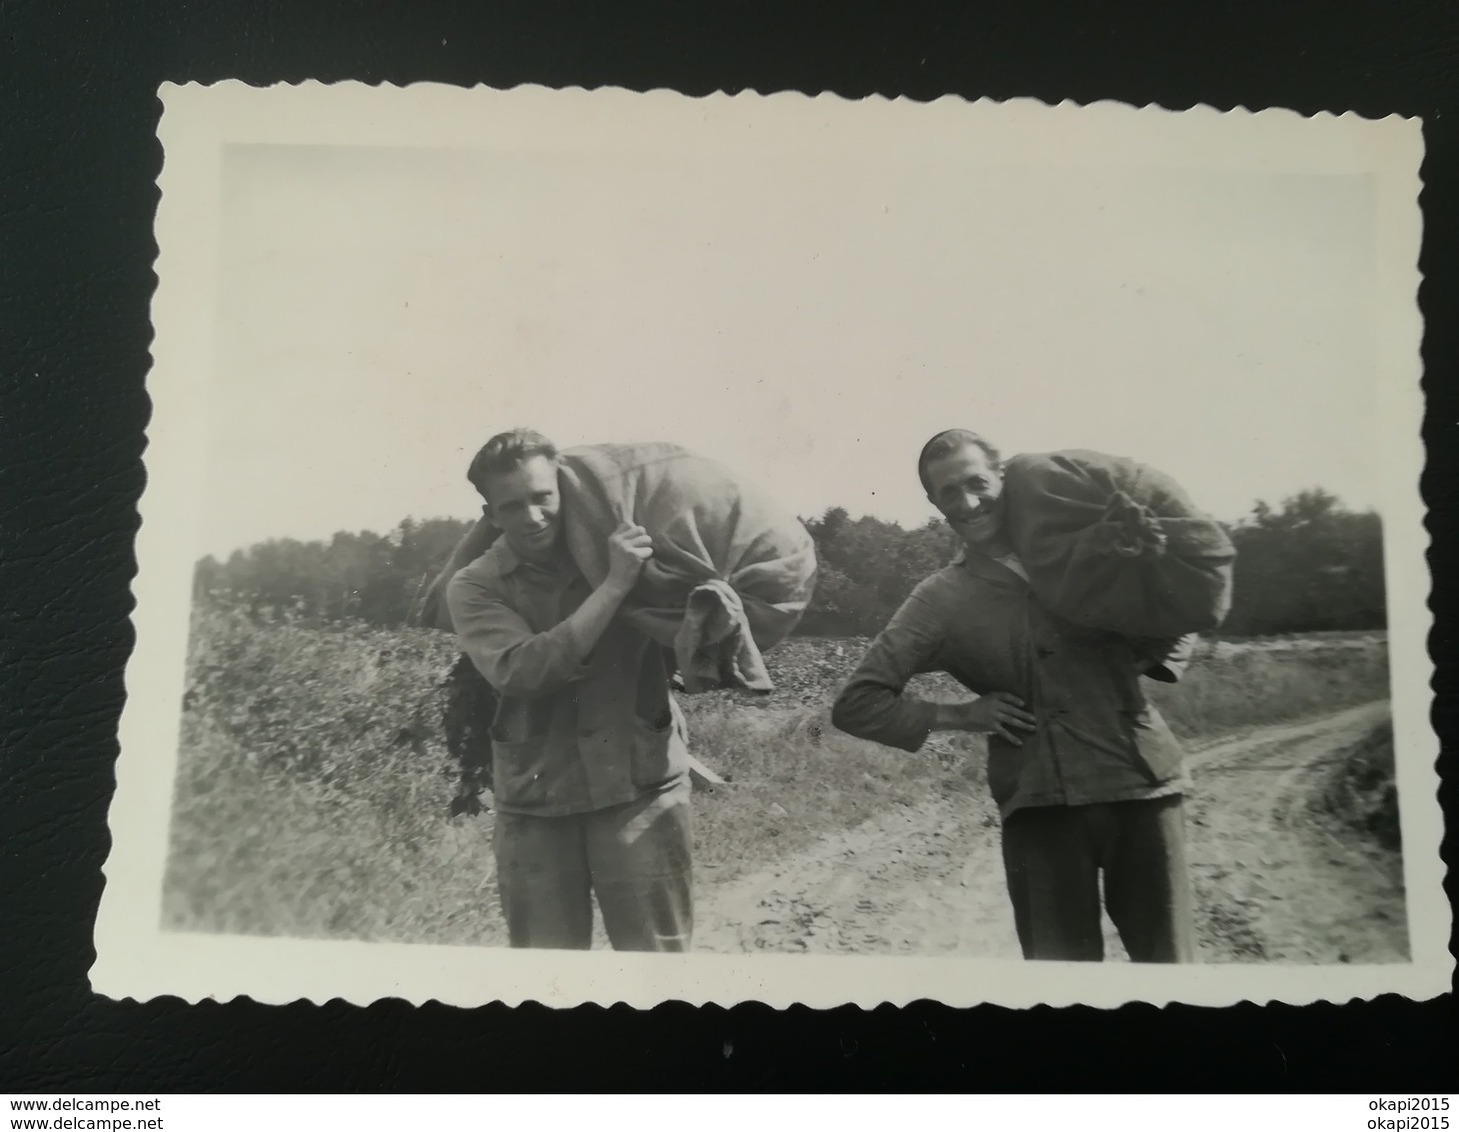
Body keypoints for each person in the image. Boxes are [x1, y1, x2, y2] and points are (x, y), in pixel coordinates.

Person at [830, 429, 1198, 962]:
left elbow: (1186, 587)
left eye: (977, 482)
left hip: (1142, 788)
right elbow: (856, 704)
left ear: (1004, 477)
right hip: (1040, 808)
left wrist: (1152, 658)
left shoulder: (1083, 545)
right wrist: (963, 715)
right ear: (934, 504)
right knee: (1060, 995)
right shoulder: (940, 599)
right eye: (948, 492)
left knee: (1174, 977)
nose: (968, 502)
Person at [445, 428, 694, 951]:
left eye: (542, 498)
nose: (532, 517)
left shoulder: (628, 547)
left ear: (565, 489)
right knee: (546, 975)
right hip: (538, 803)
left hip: (639, 786)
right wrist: (614, 586)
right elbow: (522, 671)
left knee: (658, 965)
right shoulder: (474, 585)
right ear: (490, 514)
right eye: (512, 506)